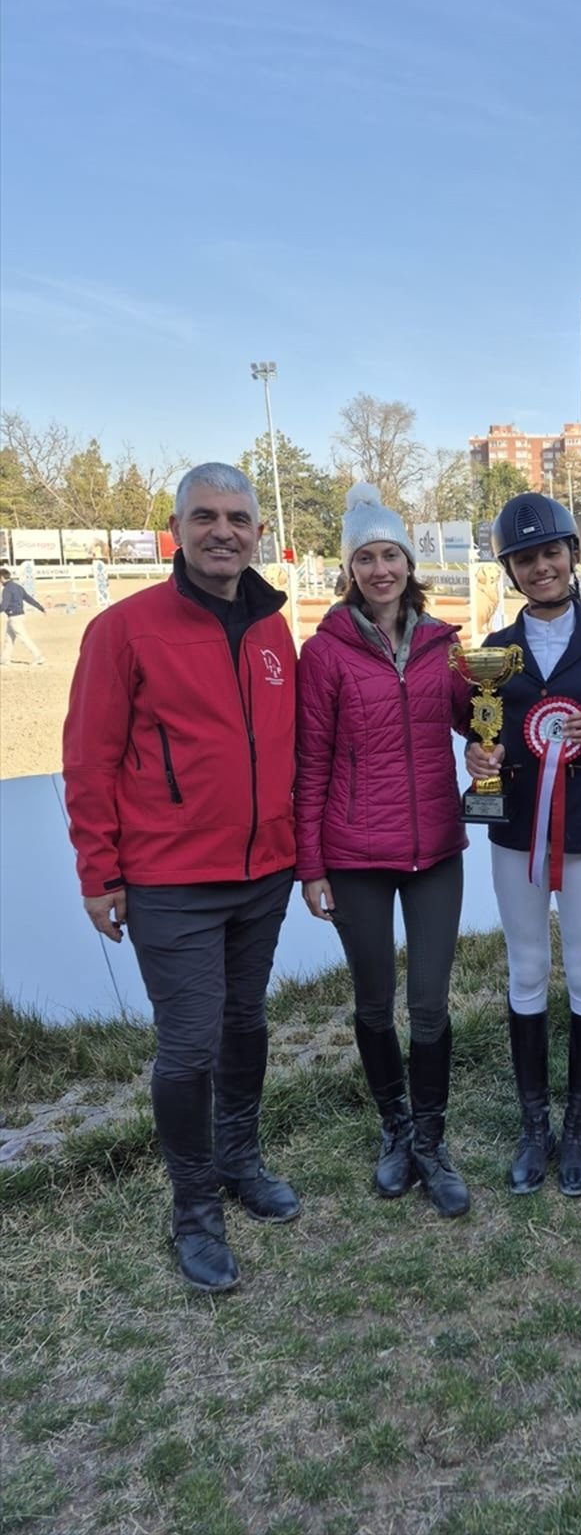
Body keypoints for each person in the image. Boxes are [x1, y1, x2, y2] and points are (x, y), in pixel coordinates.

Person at [62, 463, 300, 1294]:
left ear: (259, 533)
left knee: (246, 1025)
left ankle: (239, 1160)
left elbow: (286, 749)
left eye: (238, 517)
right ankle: (195, 1210)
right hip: (170, 880)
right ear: (177, 528)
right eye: (205, 516)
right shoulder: (123, 629)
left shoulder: (275, 628)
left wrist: (297, 849)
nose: (222, 531)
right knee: (190, 1044)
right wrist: (100, 871)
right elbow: (89, 760)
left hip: (264, 872)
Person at [465, 493, 581, 1198]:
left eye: (551, 551)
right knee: (524, 968)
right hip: (515, 829)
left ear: (572, 555)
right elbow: (479, 733)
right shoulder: (489, 654)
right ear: (510, 570)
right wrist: (477, 761)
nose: (540, 566)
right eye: (524, 557)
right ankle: (532, 1124)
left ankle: (578, 1125)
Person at [296, 484, 473, 1219]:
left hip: (435, 849)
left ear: (409, 561)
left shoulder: (443, 644)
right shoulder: (324, 652)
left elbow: (474, 721)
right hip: (354, 857)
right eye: (364, 557)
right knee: (375, 1004)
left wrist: (491, 743)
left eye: (390, 554)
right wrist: (310, 867)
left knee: (429, 1005)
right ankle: (394, 1128)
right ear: (349, 569)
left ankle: (431, 1139)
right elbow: (309, 764)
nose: (379, 569)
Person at [1, 566, 47, 666]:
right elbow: (29, 599)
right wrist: (41, 608)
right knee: (9, 638)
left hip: (14, 617)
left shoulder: (7, 589)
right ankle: (5, 658)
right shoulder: (18, 587)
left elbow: (4, 605)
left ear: (2, 578)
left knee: (24, 638)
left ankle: (38, 656)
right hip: (19, 615)